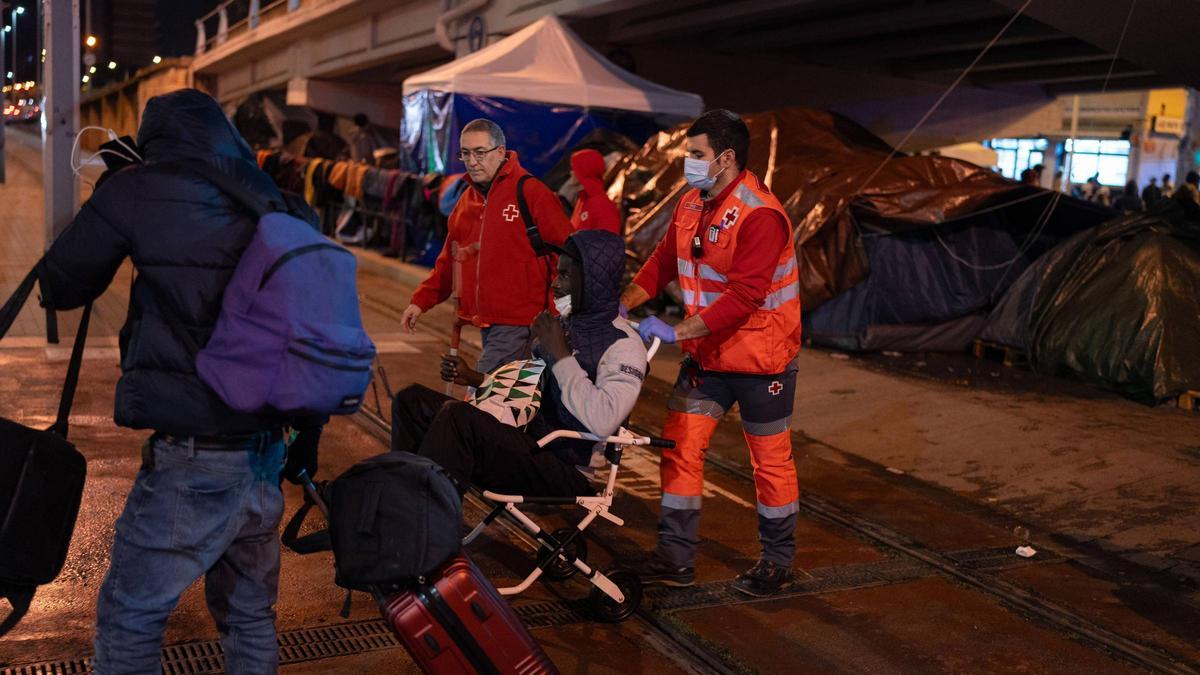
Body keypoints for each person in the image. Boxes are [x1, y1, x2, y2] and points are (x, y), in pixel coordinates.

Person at [34, 89, 323, 673]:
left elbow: (60, 284)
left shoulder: (137, 188)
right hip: (266, 453)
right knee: (249, 616)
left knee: (130, 615)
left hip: (194, 456)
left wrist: (110, 194)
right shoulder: (277, 200)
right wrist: (307, 436)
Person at [620, 109, 803, 598]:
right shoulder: (691, 203)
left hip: (762, 360)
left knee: (770, 463)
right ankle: (674, 558)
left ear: (725, 158)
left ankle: (778, 561)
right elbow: (663, 261)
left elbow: (744, 297)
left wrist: (675, 332)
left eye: (696, 154)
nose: (688, 162)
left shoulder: (761, 214)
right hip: (708, 358)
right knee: (679, 448)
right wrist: (623, 302)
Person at [391, 230, 647, 498]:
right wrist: (477, 379)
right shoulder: (565, 323)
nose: (555, 284)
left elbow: (603, 421)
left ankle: (426, 512)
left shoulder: (624, 345)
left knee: (458, 419)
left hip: (564, 466)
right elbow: (530, 390)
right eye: (557, 274)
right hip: (524, 438)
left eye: (565, 276)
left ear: (594, 283)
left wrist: (560, 355)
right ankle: (402, 499)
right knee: (411, 400)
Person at [401, 119, 573, 374]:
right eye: (465, 153)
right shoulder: (466, 201)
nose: (472, 161)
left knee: (483, 392)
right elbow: (450, 260)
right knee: (507, 394)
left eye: (480, 152)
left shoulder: (532, 193)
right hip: (488, 323)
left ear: (501, 152)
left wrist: (561, 308)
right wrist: (420, 302)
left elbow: (569, 251)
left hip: (524, 323)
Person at [569, 148, 621, 233]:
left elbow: (610, 238)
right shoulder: (583, 200)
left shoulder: (602, 205)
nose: (571, 173)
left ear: (584, 171)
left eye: (574, 169)